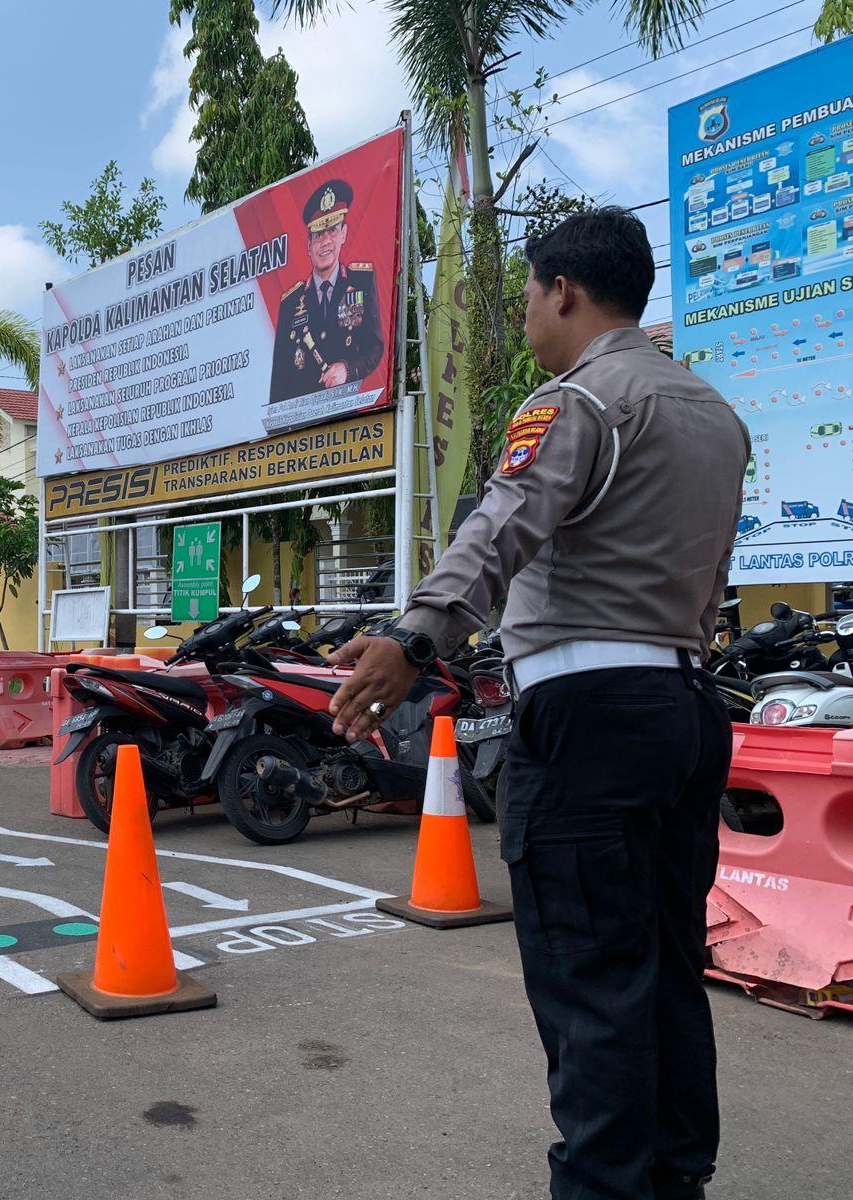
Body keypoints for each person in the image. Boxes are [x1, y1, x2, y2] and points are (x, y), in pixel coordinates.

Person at [327, 207, 748, 1200]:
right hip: (688, 710)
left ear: (562, 290)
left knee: (592, 980)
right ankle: (673, 1179)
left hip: (589, 718)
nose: (523, 316)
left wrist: (411, 635)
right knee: (665, 966)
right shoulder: (714, 416)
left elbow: (502, 526)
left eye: (524, 297)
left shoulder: (577, 402)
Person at [268, 178, 384, 405]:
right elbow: (279, 380)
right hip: (303, 426)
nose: (326, 242)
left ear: (344, 233)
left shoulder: (361, 281)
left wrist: (348, 370)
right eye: (319, 234)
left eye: (332, 230)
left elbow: (375, 347)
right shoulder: (291, 302)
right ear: (308, 245)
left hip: (350, 414)